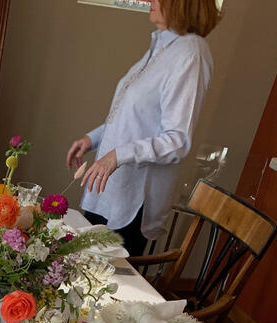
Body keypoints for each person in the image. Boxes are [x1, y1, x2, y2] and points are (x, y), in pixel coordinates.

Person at [66, 0, 220, 256]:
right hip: (108, 191)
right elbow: (130, 120)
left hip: (132, 202)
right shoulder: (162, 46)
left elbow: (177, 140)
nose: (151, 1)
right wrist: (90, 140)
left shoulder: (191, 53)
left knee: (102, 287)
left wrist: (117, 155)